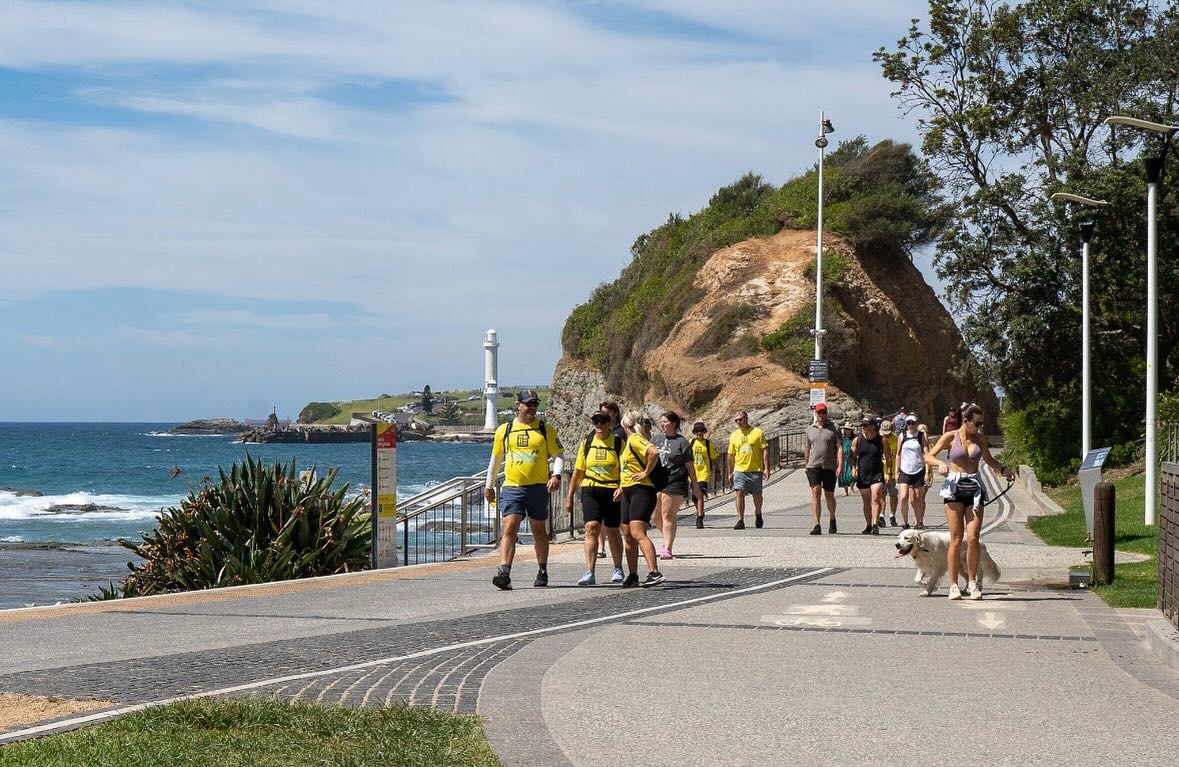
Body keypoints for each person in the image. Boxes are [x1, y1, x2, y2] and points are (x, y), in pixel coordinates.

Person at [925, 403, 1014, 600]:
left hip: (974, 489)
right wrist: (940, 463)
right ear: (965, 421)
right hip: (954, 489)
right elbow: (929, 456)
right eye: (977, 423)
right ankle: (954, 584)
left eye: (982, 423)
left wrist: (1004, 470)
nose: (980, 427)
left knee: (973, 538)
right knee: (956, 539)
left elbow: (989, 460)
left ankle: (972, 582)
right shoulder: (950, 437)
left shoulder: (980, 439)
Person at [484, 390, 564, 590]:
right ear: (518, 405)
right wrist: (489, 485)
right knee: (509, 526)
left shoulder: (545, 429)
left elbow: (559, 455)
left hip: (537, 488)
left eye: (535, 404)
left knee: (538, 530)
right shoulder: (505, 430)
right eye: (529, 404)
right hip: (512, 486)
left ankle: (542, 569)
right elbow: (496, 459)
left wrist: (556, 475)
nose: (532, 408)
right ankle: (504, 572)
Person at [565, 411, 625, 586]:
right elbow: (578, 471)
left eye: (603, 421)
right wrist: (569, 496)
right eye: (596, 421)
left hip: (612, 489)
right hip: (591, 489)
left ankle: (618, 568)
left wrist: (622, 488)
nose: (599, 425)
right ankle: (589, 571)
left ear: (609, 423)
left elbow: (626, 468)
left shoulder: (617, 443)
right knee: (591, 528)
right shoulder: (587, 443)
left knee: (613, 530)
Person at [616, 410, 664, 587]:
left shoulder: (635, 439)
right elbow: (628, 468)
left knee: (637, 532)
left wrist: (645, 472)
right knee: (628, 535)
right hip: (629, 490)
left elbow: (654, 452)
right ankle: (633, 574)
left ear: (624, 425)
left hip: (641, 490)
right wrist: (622, 487)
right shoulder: (629, 442)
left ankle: (654, 571)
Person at [652, 411, 700, 560]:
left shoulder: (682, 442)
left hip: (675, 481)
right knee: (655, 516)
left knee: (668, 514)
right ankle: (667, 536)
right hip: (657, 481)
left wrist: (695, 486)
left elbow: (690, 466)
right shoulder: (656, 439)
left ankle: (667, 547)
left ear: (674, 424)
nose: (663, 424)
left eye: (666, 421)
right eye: (661, 421)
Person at [803, 402, 841, 535]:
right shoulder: (809, 429)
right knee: (816, 492)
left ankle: (832, 518)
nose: (821, 415)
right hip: (814, 466)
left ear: (826, 413)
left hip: (829, 466)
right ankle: (817, 524)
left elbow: (839, 447)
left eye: (823, 412)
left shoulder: (834, 428)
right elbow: (807, 448)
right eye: (819, 413)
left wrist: (840, 464)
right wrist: (806, 464)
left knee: (829, 495)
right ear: (816, 413)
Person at [727, 410, 769, 529]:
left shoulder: (757, 433)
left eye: (740, 419)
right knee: (739, 492)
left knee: (757, 495)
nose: (738, 422)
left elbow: (764, 450)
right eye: (736, 420)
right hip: (740, 469)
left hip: (755, 469)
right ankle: (740, 520)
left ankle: (758, 513)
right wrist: (730, 472)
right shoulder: (734, 435)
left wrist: (766, 468)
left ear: (746, 418)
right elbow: (730, 454)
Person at [596, 401, 626, 559]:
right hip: (598, 480)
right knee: (599, 518)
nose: (603, 419)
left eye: (606, 414)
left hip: (615, 480)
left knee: (617, 519)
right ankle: (601, 547)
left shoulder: (621, 433)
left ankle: (622, 543)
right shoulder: (597, 431)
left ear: (615, 413)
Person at [851, 416, 885, 535]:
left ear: (872, 426)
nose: (863, 428)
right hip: (863, 473)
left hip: (877, 473)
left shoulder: (881, 440)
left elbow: (889, 457)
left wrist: (890, 472)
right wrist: (853, 468)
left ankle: (875, 525)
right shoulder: (858, 440)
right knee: (866, 501)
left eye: (865, 426)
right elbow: (852, 456)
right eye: (862, 425)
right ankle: (868, 525)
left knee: (875, 497)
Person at [894, 414, 927, 529]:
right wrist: (896, 471)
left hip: (918, 469)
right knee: (903, 497)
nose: (911, 426)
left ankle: (918, 522)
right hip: (905, 469)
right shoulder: (902, 436)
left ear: (916, 424)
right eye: (909, 423)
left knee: (918, 497)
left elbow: (926, 454)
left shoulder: (921, 436)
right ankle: (905, 522)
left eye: (913, 423)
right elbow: (898, 454)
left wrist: (927, 472)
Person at [689, 421, 718, 528]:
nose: (699, 433)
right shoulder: (690, 443)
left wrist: (718, 471)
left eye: (701, 431)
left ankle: (699, 518)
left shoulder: (708, 444)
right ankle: (700, 511)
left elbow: (714, 458)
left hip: (704, 473)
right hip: (692, 474)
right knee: (694, 498)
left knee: (700, 493)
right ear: (694, 432)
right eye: (697, 431)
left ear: (704, 432)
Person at [880, 419, 899, 527]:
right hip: (881, 470)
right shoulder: (879, 439)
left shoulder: (896, 440)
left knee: (892, 494)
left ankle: (892, 515)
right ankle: (881, 515)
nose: (886, 435)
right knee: (881, 494)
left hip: (892, 471)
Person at [837, 422, 855, 496]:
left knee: (850, 474)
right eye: (846, 429)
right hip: (843, 458)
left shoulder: (854, 438)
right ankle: (845, 491)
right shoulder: (841, 438)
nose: (847, 431)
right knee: (843, 475)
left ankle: (852, 489)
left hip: (850, 457)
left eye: (849, 429)